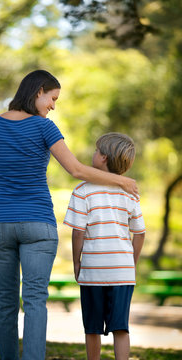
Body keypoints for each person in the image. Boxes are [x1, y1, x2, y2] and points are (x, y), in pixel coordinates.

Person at [0, 70, 139, 360]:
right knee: (35, 299)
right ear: (39, 91)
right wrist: (122, 180)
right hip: (38, 224)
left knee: (4, 303)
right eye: (53, 98)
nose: (53, 106)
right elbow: (76, 169)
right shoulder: (44, 127)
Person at [64, 132, 145, 360]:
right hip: (122, 272)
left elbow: (78, 232)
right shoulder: (130, 193)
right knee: (121, 327)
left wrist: (76, 262)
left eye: (96, 150)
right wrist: (131, 263)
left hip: (93, 272)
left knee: (92, 328)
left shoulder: (82, 191)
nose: (93, 153)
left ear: (103, 158)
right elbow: (139, 234)